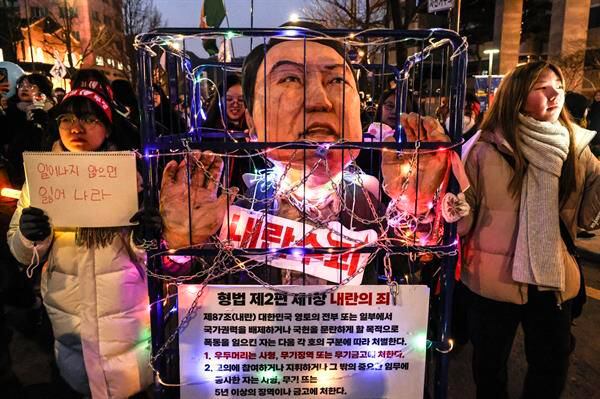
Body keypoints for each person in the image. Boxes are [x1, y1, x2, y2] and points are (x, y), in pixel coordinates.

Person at [159, 22, 392, 285]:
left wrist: (418, 210)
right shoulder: (234, 215)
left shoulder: (376, 211)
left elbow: (414, 275)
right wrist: (180, 245)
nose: (319, 100)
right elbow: (189, 287)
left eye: (337, 80)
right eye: (290, 79)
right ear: (252, 123)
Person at [444, 61, 599, 398]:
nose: (554, 93)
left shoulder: (577, 148)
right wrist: (456, 208)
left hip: (552, 279)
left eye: (557, 85)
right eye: (541, 87)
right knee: (489, 368)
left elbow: (585, 220)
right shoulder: (484, 148)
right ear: (516, 95)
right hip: (492, 281)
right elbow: (463, 223)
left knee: (552, 365)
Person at [7, 86, 161, 398]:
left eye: (89, 120)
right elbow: (22, 254)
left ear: (107, 126)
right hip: (69, 323)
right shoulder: (41, 178)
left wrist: (146, 237)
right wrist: (30, 235)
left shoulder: (135, 177)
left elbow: (151, 258)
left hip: (128, 319)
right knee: (75, 384)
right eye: (67, 120)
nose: (76, 128)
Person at [0, 73, 55, 187]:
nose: (24, 88)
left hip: (47, 167)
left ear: (43, 90)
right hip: (18, 167)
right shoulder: (10, 111)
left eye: (31, 86)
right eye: (21, 85)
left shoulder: (53, 111)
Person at [587, 89, 600, 156]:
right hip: (591, 129)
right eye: (596, 95)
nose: (598, 97)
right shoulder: (591, 106)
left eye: (599, 95)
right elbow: (588, 117)